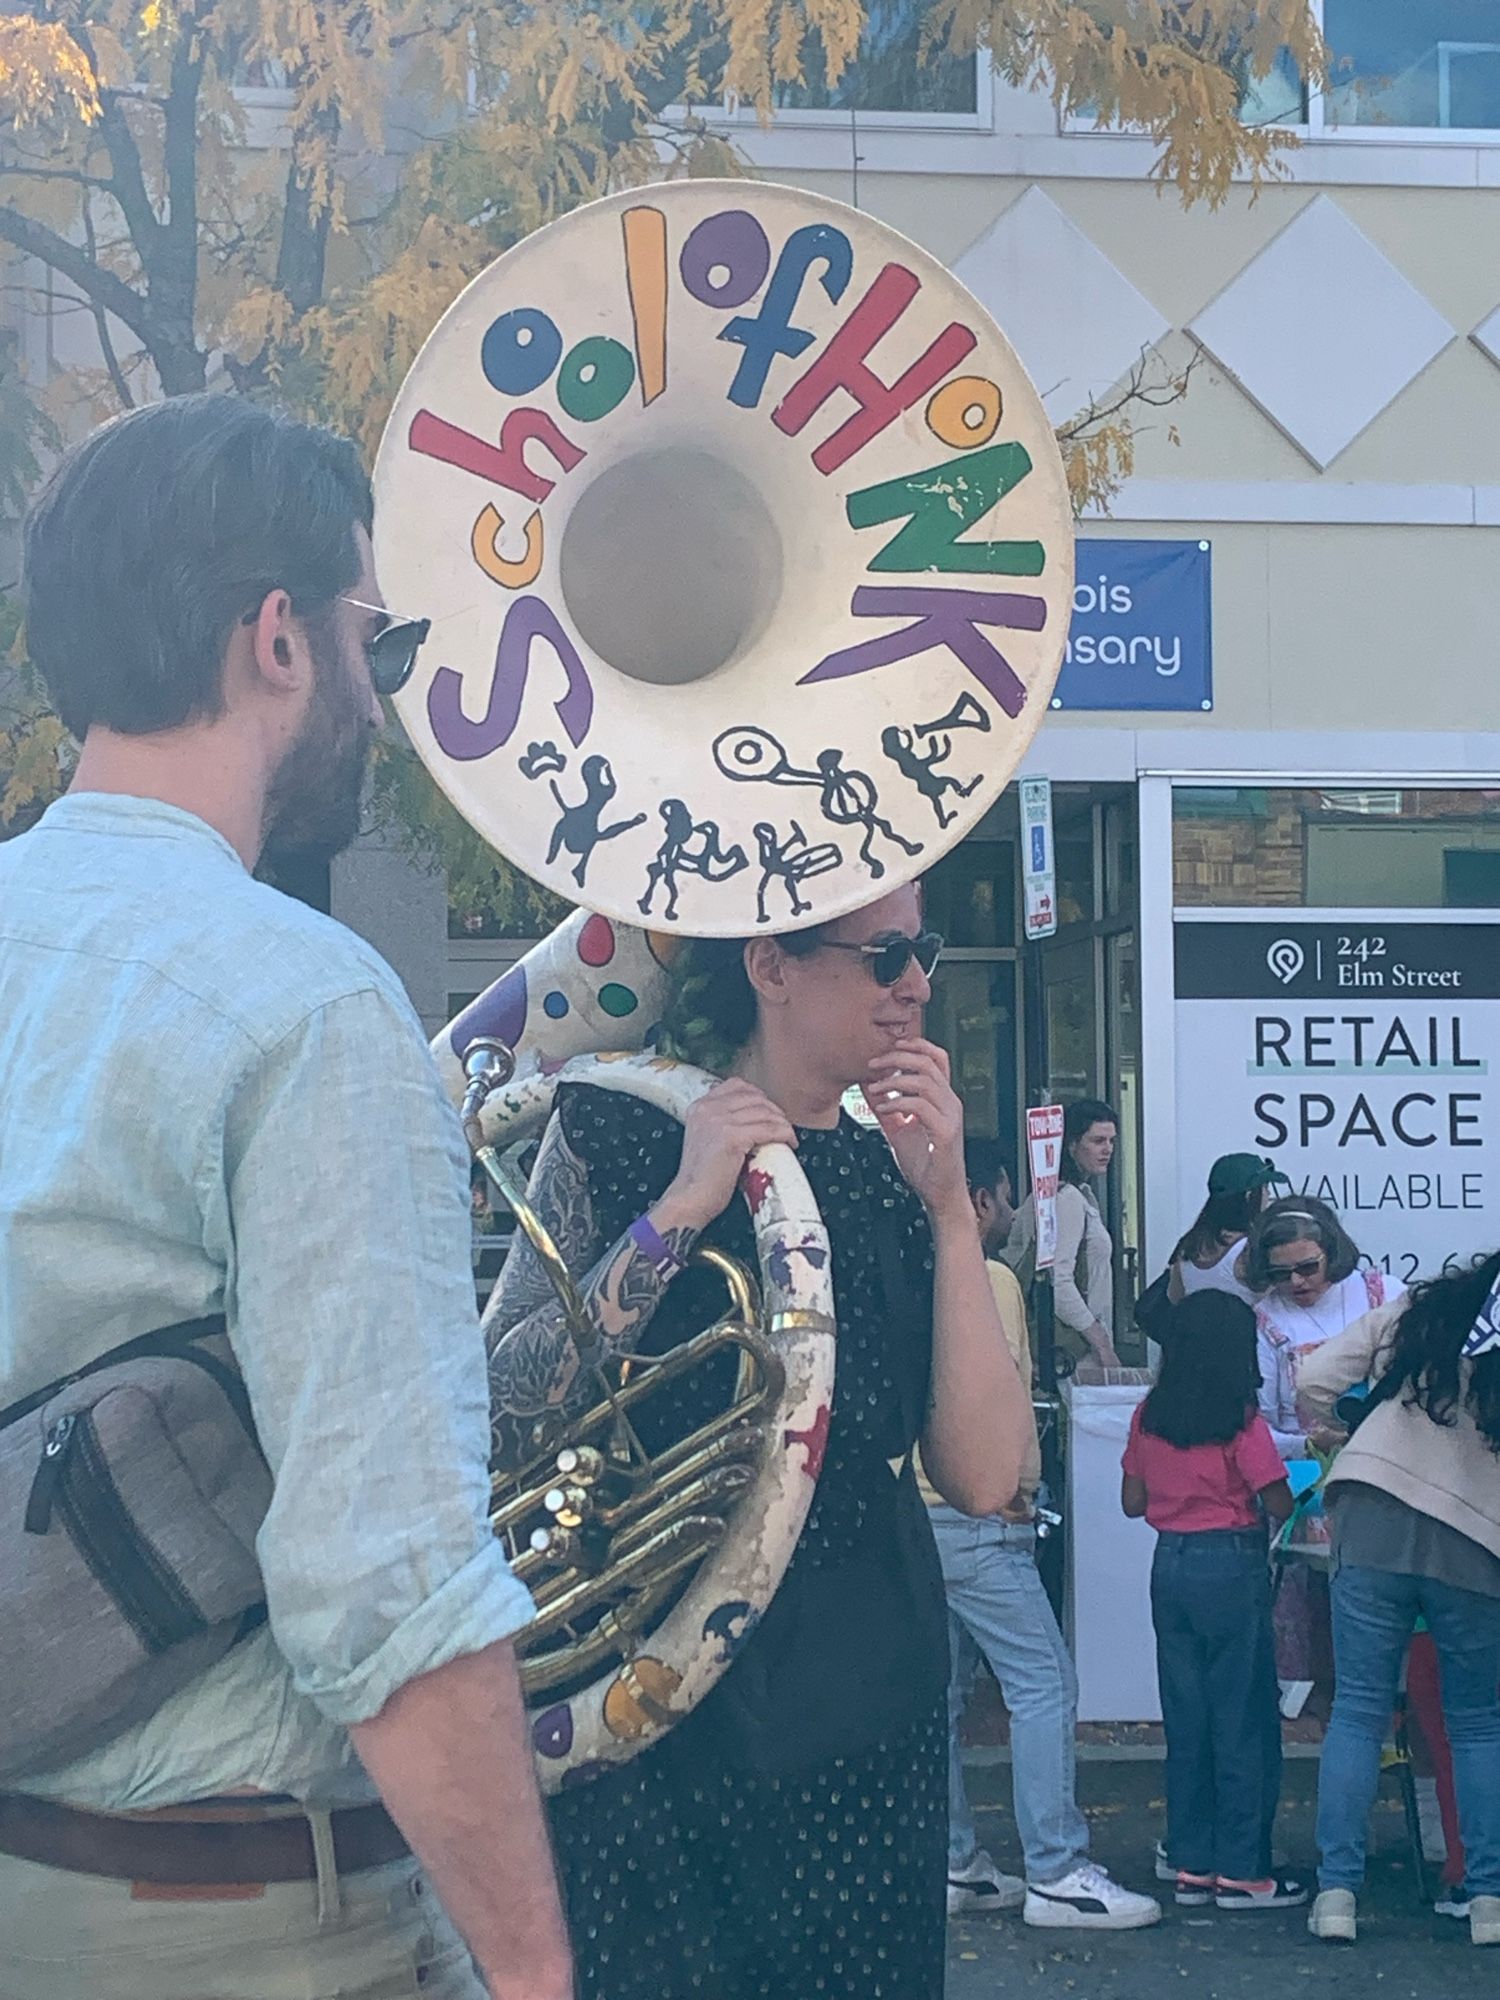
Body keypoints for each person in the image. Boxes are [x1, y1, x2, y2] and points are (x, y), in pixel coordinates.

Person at [0, 398, 571, 2000]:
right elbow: (388, 1590)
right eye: (371, 647)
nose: (380, 708)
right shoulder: (309, 1006)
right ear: (278, 641)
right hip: (234, 1926)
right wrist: (536, 1976)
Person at [486, 898, 1031, 1999]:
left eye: (920, 952)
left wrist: (952, 1214)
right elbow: (503, 1398)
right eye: (884, 956)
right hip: (648, 1681)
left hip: (861, 1687)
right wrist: (683, 1204)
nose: (916, 984)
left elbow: (985, 1474)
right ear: (771, 964)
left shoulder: (895, 1176)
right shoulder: (617, 1122)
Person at [934, 1144, 1162, 1931]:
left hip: (922, 1508)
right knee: (1043, 1683)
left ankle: (955, 1859)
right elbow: (992, 1389)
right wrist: (1013, 1486)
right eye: (1003, 1200)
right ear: (980, 1201)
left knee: (945, 1694)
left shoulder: (903, 1264)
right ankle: (1057, 1869)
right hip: (979, 1508)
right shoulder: (984, 1278)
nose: (1013, 1218)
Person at [1297, 1258, 1500, 1948]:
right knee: (1475, 1722)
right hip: (1476, 1535)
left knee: (1358, 1708)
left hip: (1373, 1505)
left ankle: (1337, 1894)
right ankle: (1488, 1900)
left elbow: (1312, 1378)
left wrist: (1355, 1424)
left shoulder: (1426, 1307)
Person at [1121, 1294, 1308, 1912]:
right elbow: (1278, 1501)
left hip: (1168, 1564)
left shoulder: (1150, 1414)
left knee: (1187, 1717)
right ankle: (1243, 1869)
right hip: (1230, 1564)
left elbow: (1131, 1499)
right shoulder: (1240, 1418)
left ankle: (1191, 1862)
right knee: (1242, 1716)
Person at [1243, 1198, 1403, 1457]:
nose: (1296, 1281)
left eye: (1308, 1267)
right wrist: (1309, 1445)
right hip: (1309, 1467)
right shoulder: (1263, 1322)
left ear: (1331, 1252)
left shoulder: (1385, 1294)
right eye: (1280, 1274)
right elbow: (1259, 1427)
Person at [1006, 1098, 1121, 1373]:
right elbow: (1058, 1280)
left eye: (1111, 1141)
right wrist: (1100, 1342)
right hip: (1076, 1349)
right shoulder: (1067, 1198)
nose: (1107, 1150)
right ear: (1072, 1145)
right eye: (1097, 1141)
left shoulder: (1068, 1194)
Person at [1167, 1155, 1290, 1306]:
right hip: (1246, 1329)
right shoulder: (1252, 1251)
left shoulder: (1188, 1245)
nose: (1269, 1194)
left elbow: (1174, 1297)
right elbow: (1284, 1301)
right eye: (1265, 1187)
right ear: (1249, 1196)